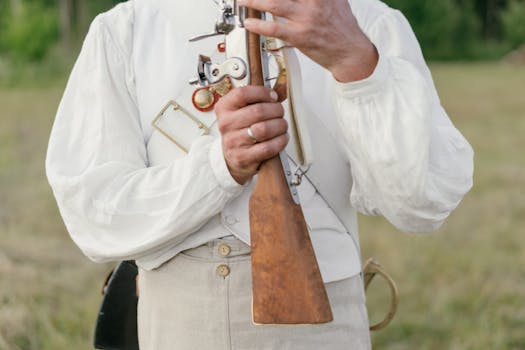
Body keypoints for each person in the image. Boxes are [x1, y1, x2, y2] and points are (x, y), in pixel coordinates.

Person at [46, 0, 474, 349]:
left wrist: (357, 62)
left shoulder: (367, 22)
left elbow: (423, 204)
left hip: (328, 323)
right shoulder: (129, 28)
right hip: (182, 322)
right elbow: (93, 210)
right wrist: (218, 167)